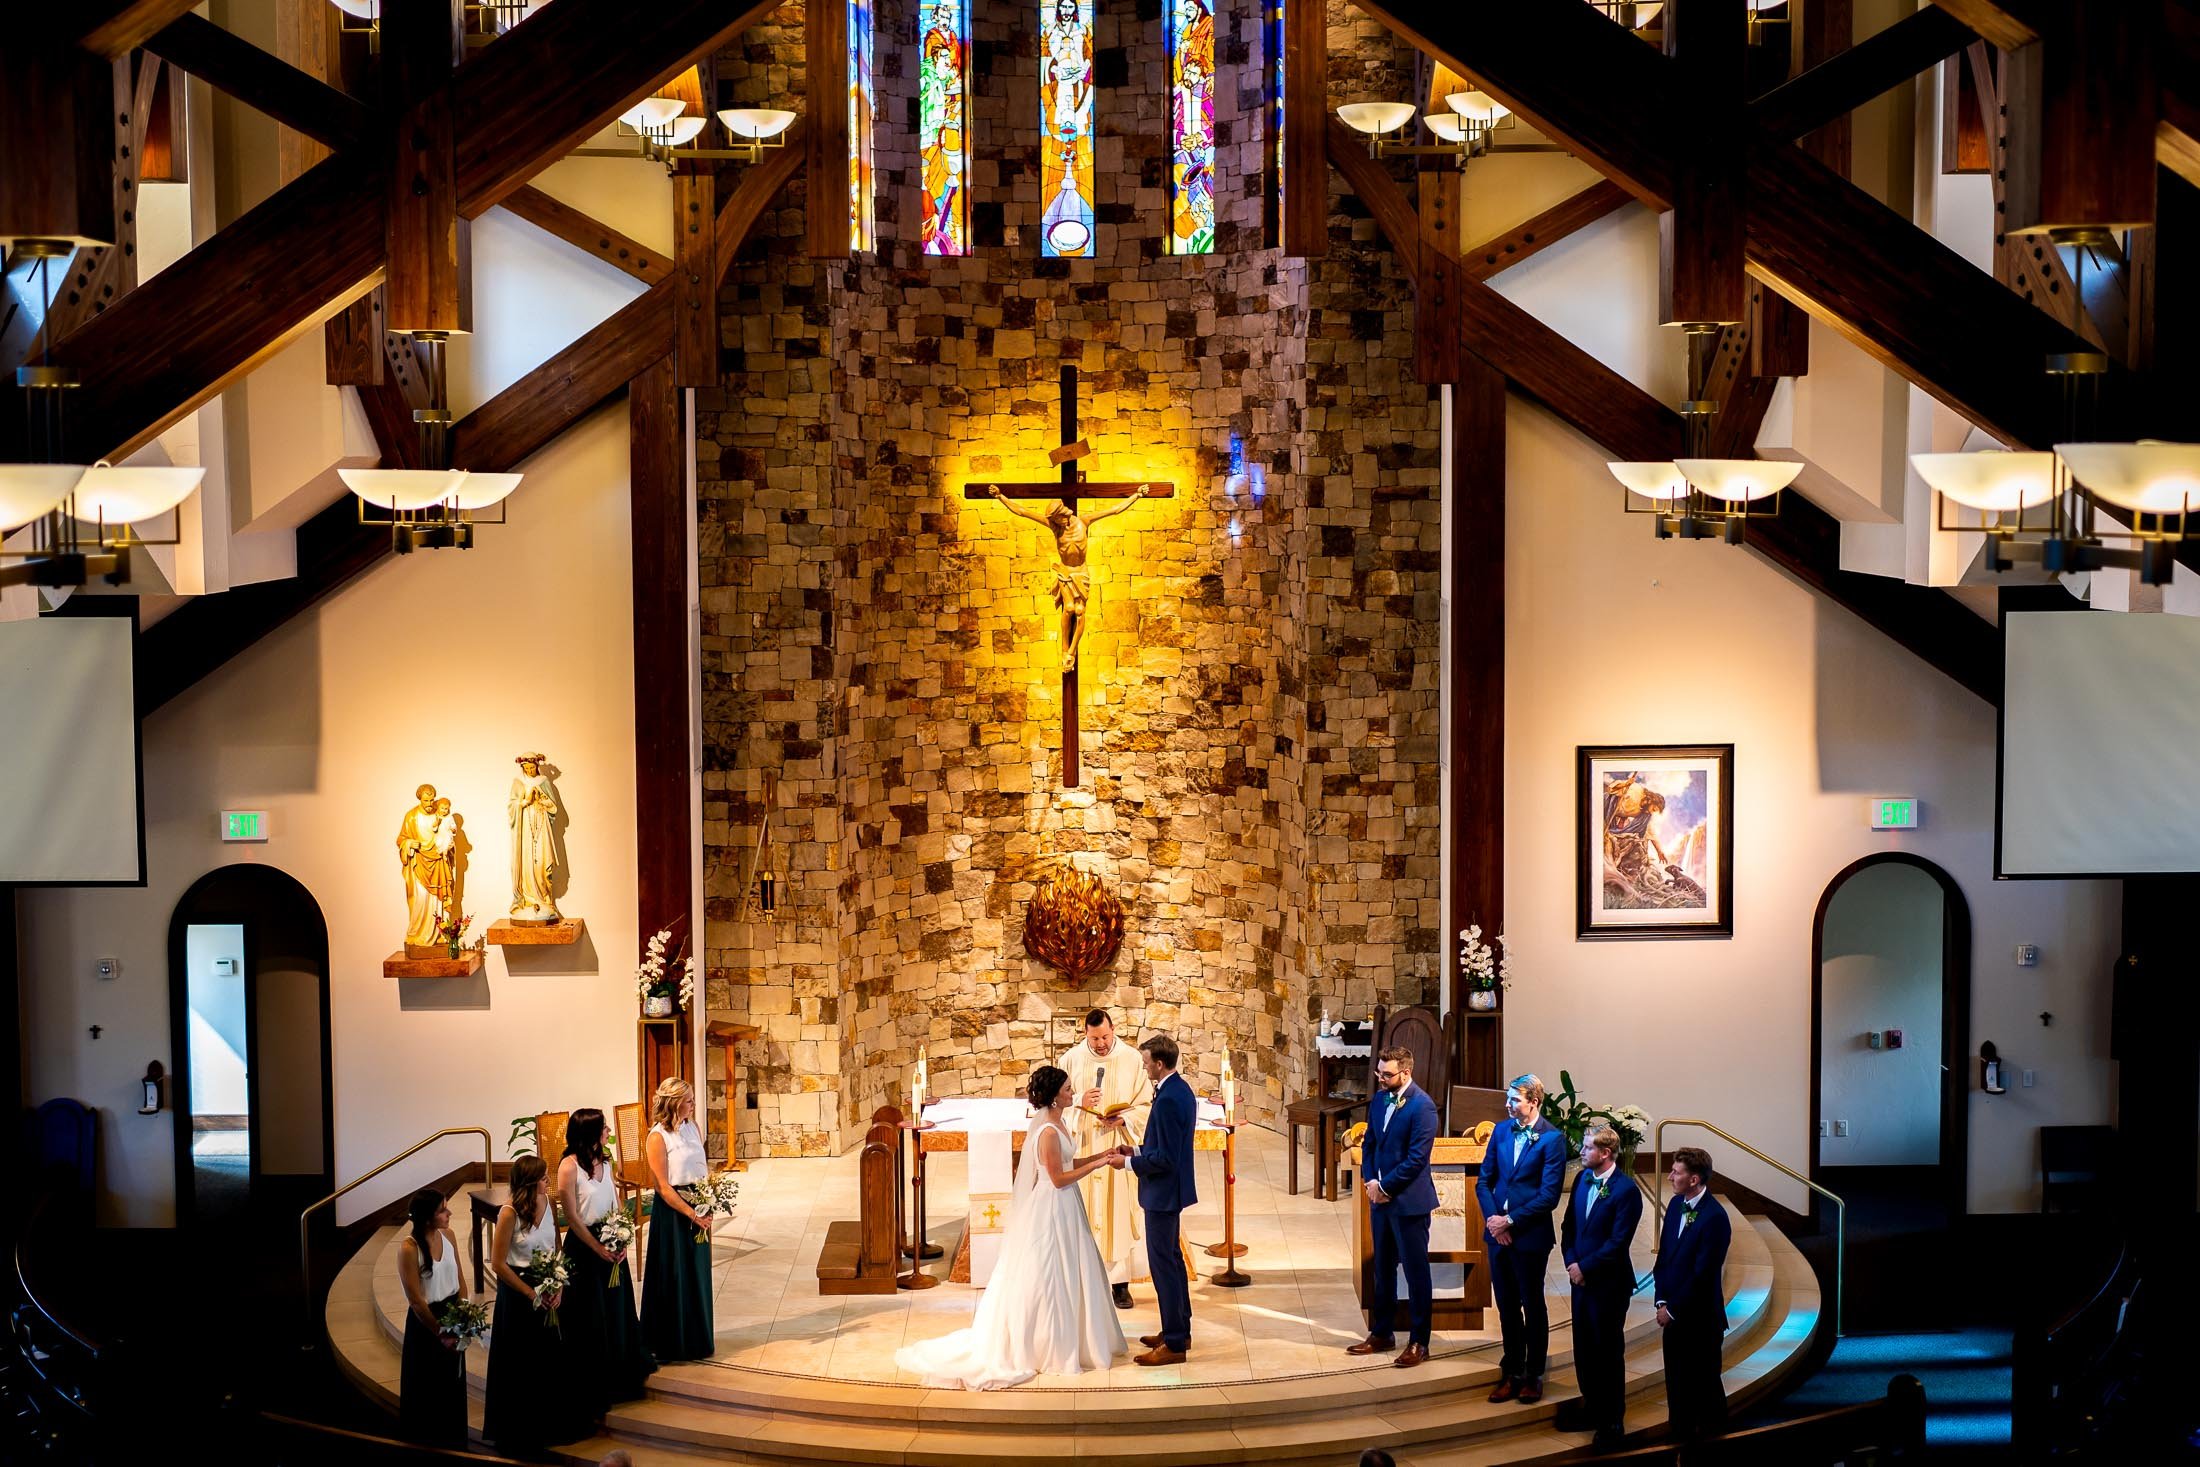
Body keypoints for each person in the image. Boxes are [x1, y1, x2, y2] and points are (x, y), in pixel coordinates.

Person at [893, 1065, 1129, 1388]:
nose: (1073, 1093)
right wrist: (1099, 1165)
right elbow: (1057, 1179)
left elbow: (1067, 1163)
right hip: (1052, 1207)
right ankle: (1049, 1345)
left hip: (1068, 1207)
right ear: (1055, 1097)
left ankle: (1079, 1337)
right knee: (1050, 1274)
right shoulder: (1046, 1131)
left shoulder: (1059, 1121)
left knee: (1076, 1270)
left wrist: (1100, 1154)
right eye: (1068, 1090)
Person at [558, 1108, 655, 1421]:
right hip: (585, 1247)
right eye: (603, 1127)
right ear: (589, 1132)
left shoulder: (606, 1162)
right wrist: (596, 1246)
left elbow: (614, 1202)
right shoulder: (568, 1166)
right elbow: (572, 1216)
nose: (608, 1130)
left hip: (611, 1242)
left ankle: (621, 1376)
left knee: (617, 1310)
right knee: (590, 1314)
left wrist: (622, 1238)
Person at [1476, 1072, 1566, 1405]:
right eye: (1508, 1098)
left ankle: (1534, 1374)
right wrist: (1493, 1222)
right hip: (1497, 1236)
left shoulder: (1551, 1139)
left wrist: (1510, 1221)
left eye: (1514, 1099)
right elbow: (1483, 1182)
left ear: (1534, 1102)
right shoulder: (1500, 1131)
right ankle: (1511, 1370)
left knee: (1532, 1304)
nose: (1507, 1104)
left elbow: (1549, 1196)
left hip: (1529, 1237)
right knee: (1507, 1307)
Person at [484, 1153, 583, 1454]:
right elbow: (498, 1264)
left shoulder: (548, 1203)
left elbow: (557, 1247)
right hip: (518, 1295)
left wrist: (559, 1285)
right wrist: (531, 1294)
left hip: (548, 1285)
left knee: (549, 1359)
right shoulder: (508, 1213)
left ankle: (551, 1424)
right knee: (521, 1363)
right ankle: (521, 1431)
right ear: (529, 1182)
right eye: (543, 1177)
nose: (548, 1181)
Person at [1347, 1046, 1438, 1368]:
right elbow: (1370, 1143)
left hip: (1409, 1203)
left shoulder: (1423, 1107)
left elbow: (1417, 1159)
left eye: (1388, 1074)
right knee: (1382, 1268)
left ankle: (1419, 1342)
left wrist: (1385, 1187)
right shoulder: (1380, 1099)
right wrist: (1370, 1181)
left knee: (1416, 1273)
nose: (1382, 1079)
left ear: (1406, 1073)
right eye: (1380, 1073)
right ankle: (1382, 1333)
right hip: (1380, 1200)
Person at [1057, 1008, 1153, 1308]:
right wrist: (1077, 1102)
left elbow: (1146, 1103)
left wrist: (1124, 1120)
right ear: (1085, 1032)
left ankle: (1119, 1284)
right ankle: (1083, 1280)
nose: (1100, 1043)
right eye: (1094, 1037)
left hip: (1116, 1146)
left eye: (1105, 1036)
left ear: (1113, 1030)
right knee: (1083, 1210)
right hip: (1084, 1144)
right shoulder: (1070, 1059)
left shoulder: (1132, 1060)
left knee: (1116, 1212)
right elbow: (1055, 1103)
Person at [1558, 1125, 1644, 1451]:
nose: (1581, 1151)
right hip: (1579, 1279)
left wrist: (1585, 1267)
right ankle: (1591, 1408)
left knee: (1607, 1352)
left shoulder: (1626, 1191)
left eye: (1587, 1147)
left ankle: (1612, 1420)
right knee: (1584, 1348)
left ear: (1606, 1153)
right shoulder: (1581, 1180)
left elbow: (1618, 1243)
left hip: (1608, 1283)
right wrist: (1570, 1262)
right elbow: (1568, 1226)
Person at [1125, 1033, 1196, 1365]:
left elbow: (1165, 1159)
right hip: (1171, 1190)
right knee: (1172, 1260)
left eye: (1145, 1063)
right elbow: (1165, 1146)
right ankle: (1177, 1330)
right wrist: (1136, 1149)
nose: (1144, 1068)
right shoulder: (1178, 1089)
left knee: (1163, 1266)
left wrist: (1127, 1162)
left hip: (1162, 1193)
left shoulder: (1168, 1099)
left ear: (1159, 1063)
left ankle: (1175, 1343)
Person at [1653, 1146, 1731, 1441]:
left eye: (1676, 1172)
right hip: (1673, 1312)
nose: (1670, 1176)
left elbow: (1703, 1274)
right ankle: (1679, 1438)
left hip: (1700, 1319)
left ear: (1695, 1179)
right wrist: (1662, 1299)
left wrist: (1672, 1309)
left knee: (1705, 1385)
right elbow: (1665, 1258)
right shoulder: (1675, 1206)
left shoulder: (1715, 1218)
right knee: (1676, 1383)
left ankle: (1712, 1443)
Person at [642, 1077, 716, 1362]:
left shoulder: (693, 1126)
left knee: (697, 1275)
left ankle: (698, 1338)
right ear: (674, 1104)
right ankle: (671, 1343)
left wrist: (709, 1200)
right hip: (674, 1213)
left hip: (699, 1205)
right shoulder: (658, 1137)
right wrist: (691, 1213)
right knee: (674, 1276)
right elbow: (662, 1186)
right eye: (689, 1101)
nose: (694, 1105)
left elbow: (702, 1167)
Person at [396, 1188, 466, 1448]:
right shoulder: (408, 1248)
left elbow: (460, 1279)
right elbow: (415, 1300)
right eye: (442, 1210)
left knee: (452, 1385)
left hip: (452, 1313)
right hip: (427, 1323)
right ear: (427, 1218)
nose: (449, 1213)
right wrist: (441, 1332)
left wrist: (464, 1315)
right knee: (427, 1389)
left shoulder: (448, 1235)